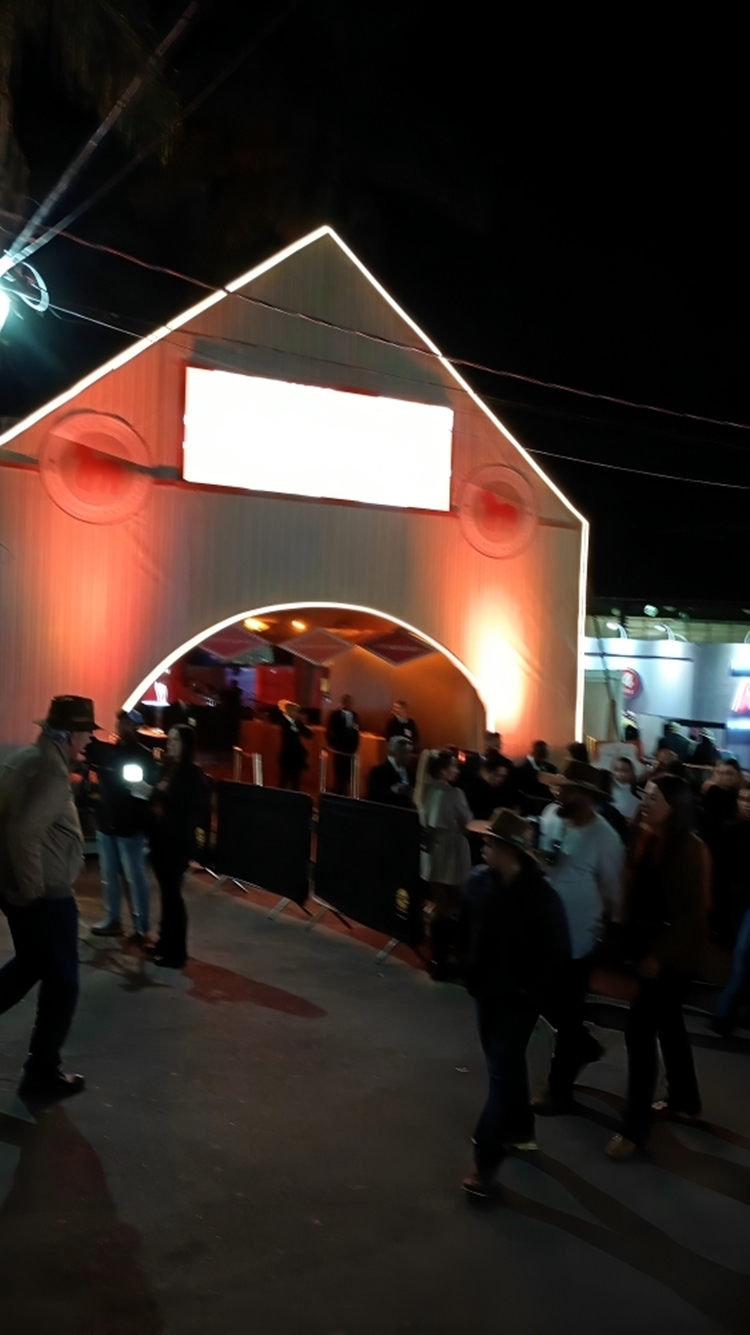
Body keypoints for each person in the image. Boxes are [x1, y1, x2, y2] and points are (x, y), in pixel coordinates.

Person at [458, 810, 571, 1197]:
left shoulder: (542, 898)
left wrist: (531, 989)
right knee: (503, 1066)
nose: (483, 846)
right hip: (484, 993)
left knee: (500, 1075)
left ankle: (484, 1162)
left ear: (512, 852)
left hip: (519, 1000)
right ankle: (521, 1129)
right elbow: (464, 929)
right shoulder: (478, 882)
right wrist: (467, 969)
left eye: (491, 842)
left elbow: (558, 953)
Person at [605, 774, 710, 1159]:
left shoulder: (688, 850)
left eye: (654, 798)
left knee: (639, 1033)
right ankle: (685, 1100)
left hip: (671, 958)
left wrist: (657, 957)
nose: (645, 803)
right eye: (645, 796)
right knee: (669, 1024)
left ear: (675, 806)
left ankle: (634, 1130)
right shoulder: (649, 837)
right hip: (651, 949)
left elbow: (690, 917)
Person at [0, 696, 100, 1101]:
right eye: (86, 733)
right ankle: (41, 1074)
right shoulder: (52, 773)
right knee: (64, 985)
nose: (89, 741)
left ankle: (41, 1071)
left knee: (29, 965)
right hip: (46, 896)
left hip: (15, 888)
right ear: (69, 734)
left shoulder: (22, 759)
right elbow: (22, 832)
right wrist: (31, 889)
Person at [534, 760, 625, 1112]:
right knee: (547, 1002)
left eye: (568, 790)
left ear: (587, 797)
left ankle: (559, 1089)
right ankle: (583, 1045)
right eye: (560, 787)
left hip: (578, 939)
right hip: (546, 933)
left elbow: (614, 892)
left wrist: (609, 934)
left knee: (569, 1013)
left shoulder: (606, 838)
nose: (559, 793)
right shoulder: (551, 817)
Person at [130, 725, 209, 969]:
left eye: (176, 740)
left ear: (186, 744)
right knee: (166, 894)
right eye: (170, 739)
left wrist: (152, 793)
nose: (170, 744)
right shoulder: (167, 768)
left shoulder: (191, 774)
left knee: (173, 896)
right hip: (160, 839)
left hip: (177, 843)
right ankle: (165, 943)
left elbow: (184, 807)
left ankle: (177, 952)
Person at [86, 709, 156, 941]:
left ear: (136, 727)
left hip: (130, 825)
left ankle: (141, 926)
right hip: (107, 822)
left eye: (126, 723)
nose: (121, 727)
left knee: (135, 877)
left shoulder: (143, 756)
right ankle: (113, 920)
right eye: (120, 722)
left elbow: (146, 792)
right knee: (109, 875)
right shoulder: (109, 752)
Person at [416, 748, 473, 979]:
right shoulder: (455, 794)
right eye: (453, 766)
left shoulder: (424, 791)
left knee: (440, 904)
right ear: (443, 770)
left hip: (432, 851)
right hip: (451, 851)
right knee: (451, 905)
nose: (457, 770)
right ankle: (446, 957)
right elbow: (467, 820)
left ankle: (436, 957)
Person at [712, 782, 750, 1030]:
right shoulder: (728, 829)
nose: (746, 805)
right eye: (743, 799)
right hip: (732, 900)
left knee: (742, 956)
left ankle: (725, 1014)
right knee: (739, 955)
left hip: (744, 901)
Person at [326, 693, 360, 795]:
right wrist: (332, 744)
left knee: (348, 774)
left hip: (350, 749)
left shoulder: (355, 716)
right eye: (346, 701)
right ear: (342, 702)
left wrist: (356, 746)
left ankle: (345, 794)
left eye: (349, 702)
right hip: (339, 748)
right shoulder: (335, 715)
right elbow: (329, 731)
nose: (348, 704)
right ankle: (338, 793)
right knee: (339, 773)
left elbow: (356, 732)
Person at [366, 736, 414, 807]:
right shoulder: (379, 772)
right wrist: (392, 791)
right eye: (407, 752)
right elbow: (374, 796)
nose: (411, 756)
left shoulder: (410, 772)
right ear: (397, 753)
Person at [515, 741, 558, 816]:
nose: (544, 758)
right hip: (529, 811)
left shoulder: (551, 769)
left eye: (545, 754)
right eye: (541, 754)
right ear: (534, 753)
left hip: (549, 811)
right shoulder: (521, 770)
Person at [277, 701, 312, 791]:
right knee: (284, 780)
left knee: (296, 781)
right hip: (287, 755)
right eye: (296, 711)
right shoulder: (284, 721)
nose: (297, 714)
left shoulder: (297, 723)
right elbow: (288, 736)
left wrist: (302, 723)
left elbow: (309, 734)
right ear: (290, 711)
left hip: (296, 756)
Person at [609, 755, 642, 823]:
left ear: (632, 772)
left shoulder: (638, 792)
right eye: (616, 770)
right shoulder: (607, 788)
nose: (620, 774)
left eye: (625, 771)